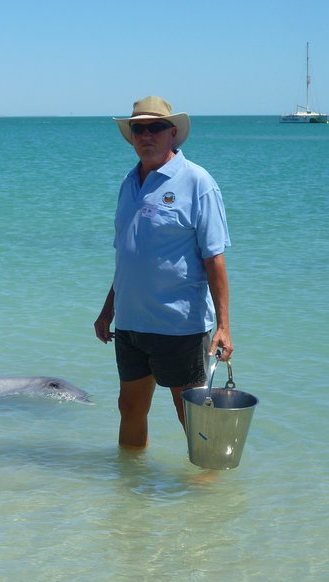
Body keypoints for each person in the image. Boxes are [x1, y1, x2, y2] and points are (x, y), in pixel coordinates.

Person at [94, 96, 233, 449]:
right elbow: (129, 254)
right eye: (138, 128)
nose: (146, 135)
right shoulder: (128, 183)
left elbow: (214, 259)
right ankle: (129, 490)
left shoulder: (198, 182)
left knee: (190, 414)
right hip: (130, 324)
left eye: (155, 127)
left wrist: (224, 327)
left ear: (172, 133)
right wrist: (108, 309)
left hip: (179, 326)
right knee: (129, 407)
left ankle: (208, 494)